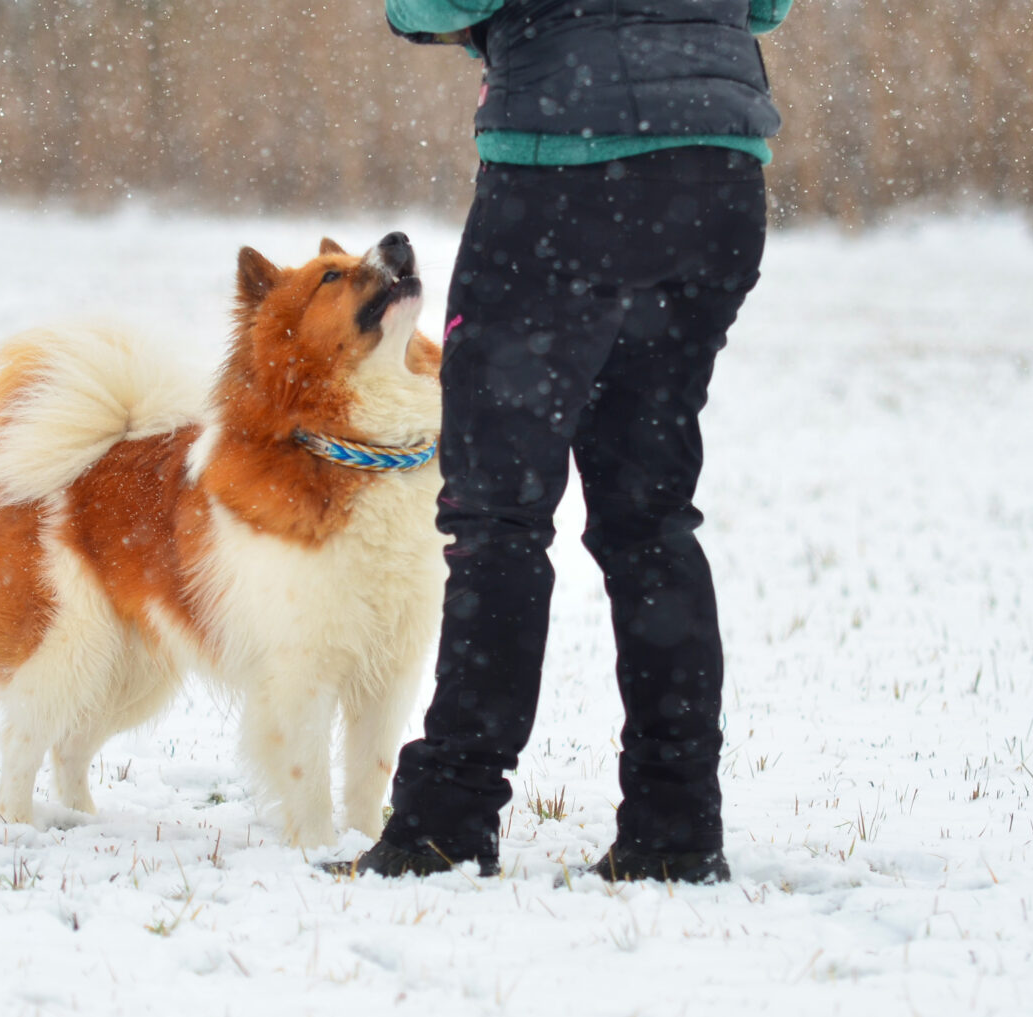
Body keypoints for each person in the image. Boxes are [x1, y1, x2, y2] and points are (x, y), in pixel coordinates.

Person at [330, 0, 793, 882]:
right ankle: (675, 824)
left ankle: (446, 825)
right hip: (717, 180)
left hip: (566, 180)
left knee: (498, 515)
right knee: (650, 516)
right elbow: (765, 6)